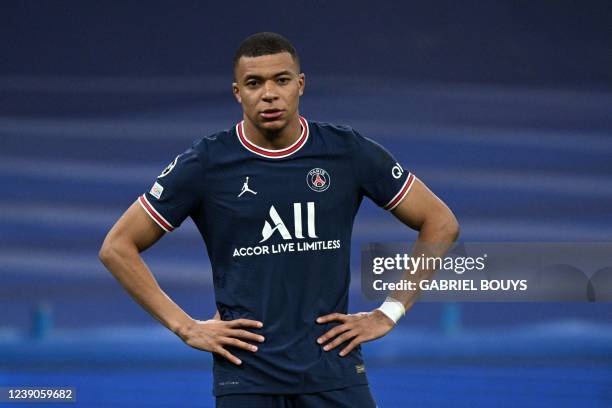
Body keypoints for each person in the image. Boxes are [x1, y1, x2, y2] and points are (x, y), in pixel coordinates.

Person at [99, 32, 459, 407]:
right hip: (247, 379)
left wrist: (390, 311)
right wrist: (185, 327)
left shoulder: (345, 151)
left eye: (281, 80)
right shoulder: (207, 162)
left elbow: (440, 222)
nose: (269, 94)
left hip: (333, 373)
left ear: (300, 85)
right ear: (237, 92)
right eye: (254, 83)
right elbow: (117, 247)